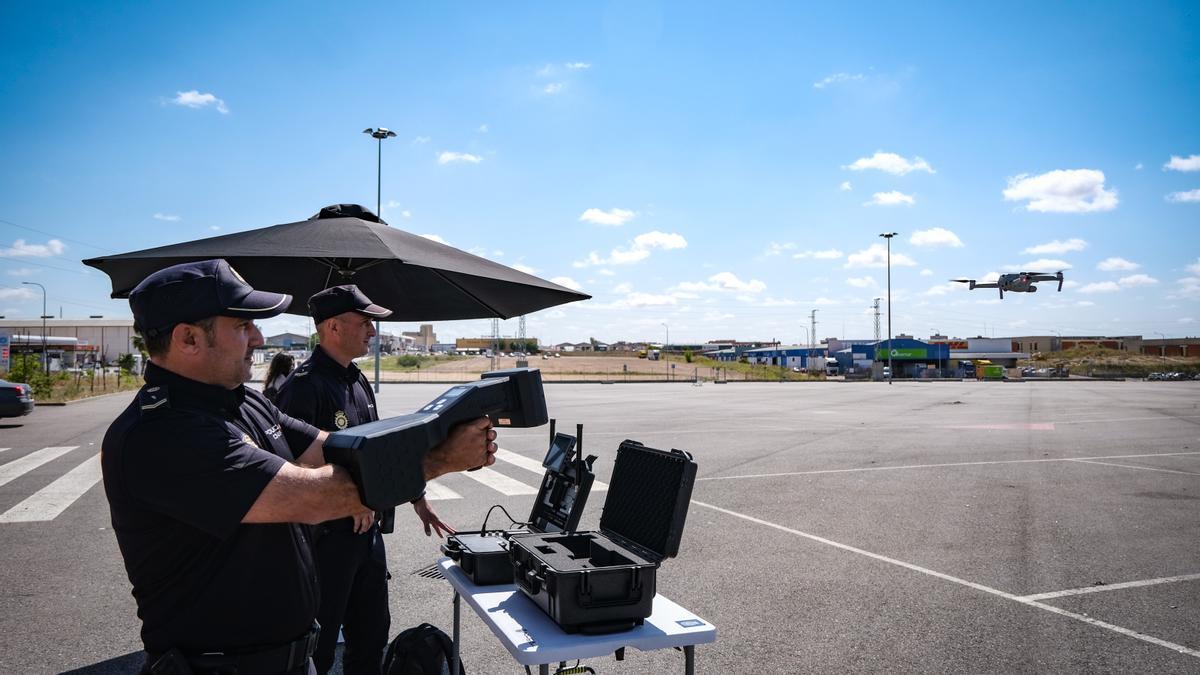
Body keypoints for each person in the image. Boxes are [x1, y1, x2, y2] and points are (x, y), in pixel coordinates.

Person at [100, 259, 496, 675]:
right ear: (188, 338)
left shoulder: (242, 400)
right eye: (242, 325)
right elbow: (313, 497)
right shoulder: (164, 433)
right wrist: (438, 460)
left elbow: (337, 448)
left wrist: (441, 428)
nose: (257, 338)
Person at [276, 285, 453, 675]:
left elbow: (377, 453)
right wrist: (351, 497)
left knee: (372, 636)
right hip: (325, 543)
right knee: (318, 649)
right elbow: (290, 471)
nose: (372, 331)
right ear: (334, 328)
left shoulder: (356, 380)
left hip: (367, 539)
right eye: (365, 322)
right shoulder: (303, 389)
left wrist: (416, 497)